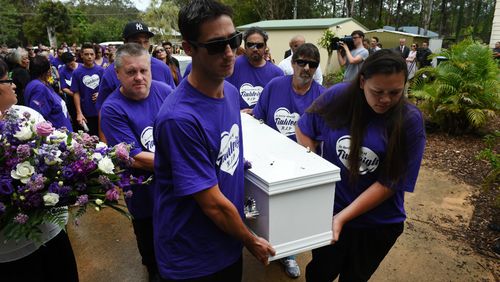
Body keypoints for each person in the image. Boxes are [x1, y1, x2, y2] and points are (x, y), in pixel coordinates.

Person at [153, 0, 275, 280]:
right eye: (216, 45)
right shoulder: (179, 119)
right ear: (188, 48)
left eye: (234, 40)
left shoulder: (230, 93)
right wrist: (250, 239)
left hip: (226, 243)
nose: (230, 52)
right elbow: (213, 205)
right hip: (192, 257)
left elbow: (225, 154)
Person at [296, 49, 426, 282]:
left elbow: (390, 182)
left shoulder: (410, 120)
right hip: (330, 212)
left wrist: (343, 217)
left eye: (395, 92)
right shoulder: (338, 96)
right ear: (362, 81)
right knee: (319, 273)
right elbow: (304, 128)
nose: (385, 99)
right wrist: (314, 174)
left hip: (377, 225)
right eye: (377, 92)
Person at [0, 58, 79, 282]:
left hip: (49, 233)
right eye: (8, 80)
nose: (15, 85)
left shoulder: (26, 115)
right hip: (10, 250)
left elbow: (59, 153)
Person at [100, 43, 173, 282]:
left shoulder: (165, 91)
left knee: (176, 235)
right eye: (131, 72)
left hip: (174, 186)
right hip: (143, 191)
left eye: (144, 70)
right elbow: (136, 158)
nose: (139, 77)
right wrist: (184, 161)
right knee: (150, 239)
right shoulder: (112, 109)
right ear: (117, 74)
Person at [253, 43, 326, 279]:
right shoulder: (275, 86)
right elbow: (259, 120)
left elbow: (323, 137)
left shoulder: (322, 95)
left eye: (312, 64)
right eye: (301, 62)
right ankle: (262, 242)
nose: (306, 68)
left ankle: (289, 254)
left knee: (293, 213)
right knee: (265, 208)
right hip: (270, 159)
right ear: (292, 63)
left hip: (302, 164)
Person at [96, 21, 176, 112]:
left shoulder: (162, 68)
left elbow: (173, 101)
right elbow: (102, 110)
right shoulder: (111, 72)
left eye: (145, 42)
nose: (142, 46)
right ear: (125, 42)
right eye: (136, 42)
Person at [226, 26, 283, 113]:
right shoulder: (233, 65)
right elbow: (223, 94)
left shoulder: (277, 73)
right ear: (245, 46)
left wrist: (255, 111)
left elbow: (278, 103)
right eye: (250, 45)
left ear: (265, 47)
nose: (255, 49)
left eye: (259, 45)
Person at [24, 55, 72, 131]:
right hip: (56, 136)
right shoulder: (39, 88)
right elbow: (38, 117)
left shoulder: (42, 84)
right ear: (47, 70)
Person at [71, 42, 104, 135]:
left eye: (91, 54)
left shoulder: (101, 71)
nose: (89, 57)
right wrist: (79, 113)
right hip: (86, 112)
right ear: (81, 55)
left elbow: (107, 89)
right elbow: (76, 93)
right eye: (86, 54)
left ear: (95, 55)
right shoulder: (77, 73)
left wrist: (100, 94)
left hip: (101, 112)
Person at [59, 51, 80, 127]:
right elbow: (64, 88)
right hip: (71, 100)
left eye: (72, 63)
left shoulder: (81, 67)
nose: (71, 65)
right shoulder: (62, 71)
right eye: (68, 64)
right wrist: (75, 95)